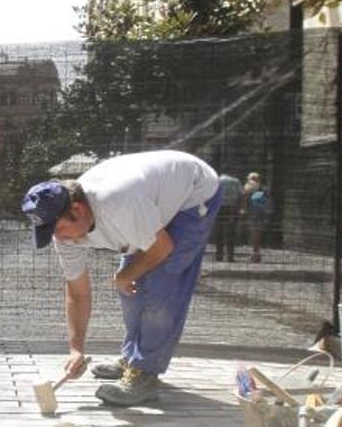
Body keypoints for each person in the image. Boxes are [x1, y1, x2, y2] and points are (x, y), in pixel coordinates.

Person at [22, 150, 222, 406]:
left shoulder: (117, 203)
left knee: (160, 286)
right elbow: (77, 293)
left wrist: (124, 275)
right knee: (132, 287)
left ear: (78, 209)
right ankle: (133, 359)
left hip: (193, 193)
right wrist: (76, 349)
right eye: (51, 232)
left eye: (60, 228)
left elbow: (162, 248)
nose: (60, 238)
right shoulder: (65, 233)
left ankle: (145, 373)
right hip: (150, 199)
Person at [241, 172, 272, 263]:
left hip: (258, 215)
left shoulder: (262, 190)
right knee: (255, 234)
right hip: (253, 215)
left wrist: (268, 214)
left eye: (252, 179)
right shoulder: (249, 189)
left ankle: (255, 254)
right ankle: (255, 253)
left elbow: (268, 202)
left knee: (256, 234)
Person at [212, 172, 243, 262]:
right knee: (230, 232)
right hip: (231, 208)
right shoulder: (236, 181)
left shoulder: (217, 180)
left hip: (219, 208)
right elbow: (241, 194)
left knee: (219, 232)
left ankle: (219, 255)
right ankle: (230, 256)